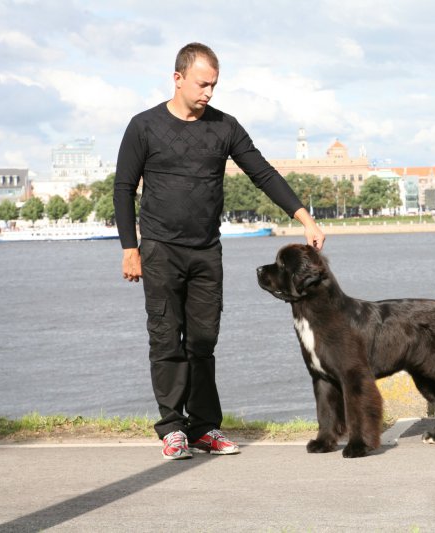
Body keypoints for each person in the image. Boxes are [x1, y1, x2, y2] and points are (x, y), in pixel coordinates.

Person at [114, 42, 325, 460]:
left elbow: (263, 173)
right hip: (159, 249)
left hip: (206, 251)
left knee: (203, 341)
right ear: (177, 78)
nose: (208, 92)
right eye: (202, 84)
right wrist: (129, 248)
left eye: (213, 85)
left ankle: (204, 427)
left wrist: (305, 217)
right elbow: (123, 188)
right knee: (165, 338)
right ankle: (172, 428)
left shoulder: (225, 126)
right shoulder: (144, 126)